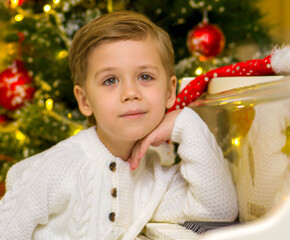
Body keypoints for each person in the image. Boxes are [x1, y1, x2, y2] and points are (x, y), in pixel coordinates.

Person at [0, 11, 238, 240]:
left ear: (169, 91)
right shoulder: (57, 169)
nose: (131, 93)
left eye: (145, 76)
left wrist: (184, 122)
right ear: (84, 100)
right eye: (110, 80)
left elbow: (218, 210)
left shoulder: (155, 178)